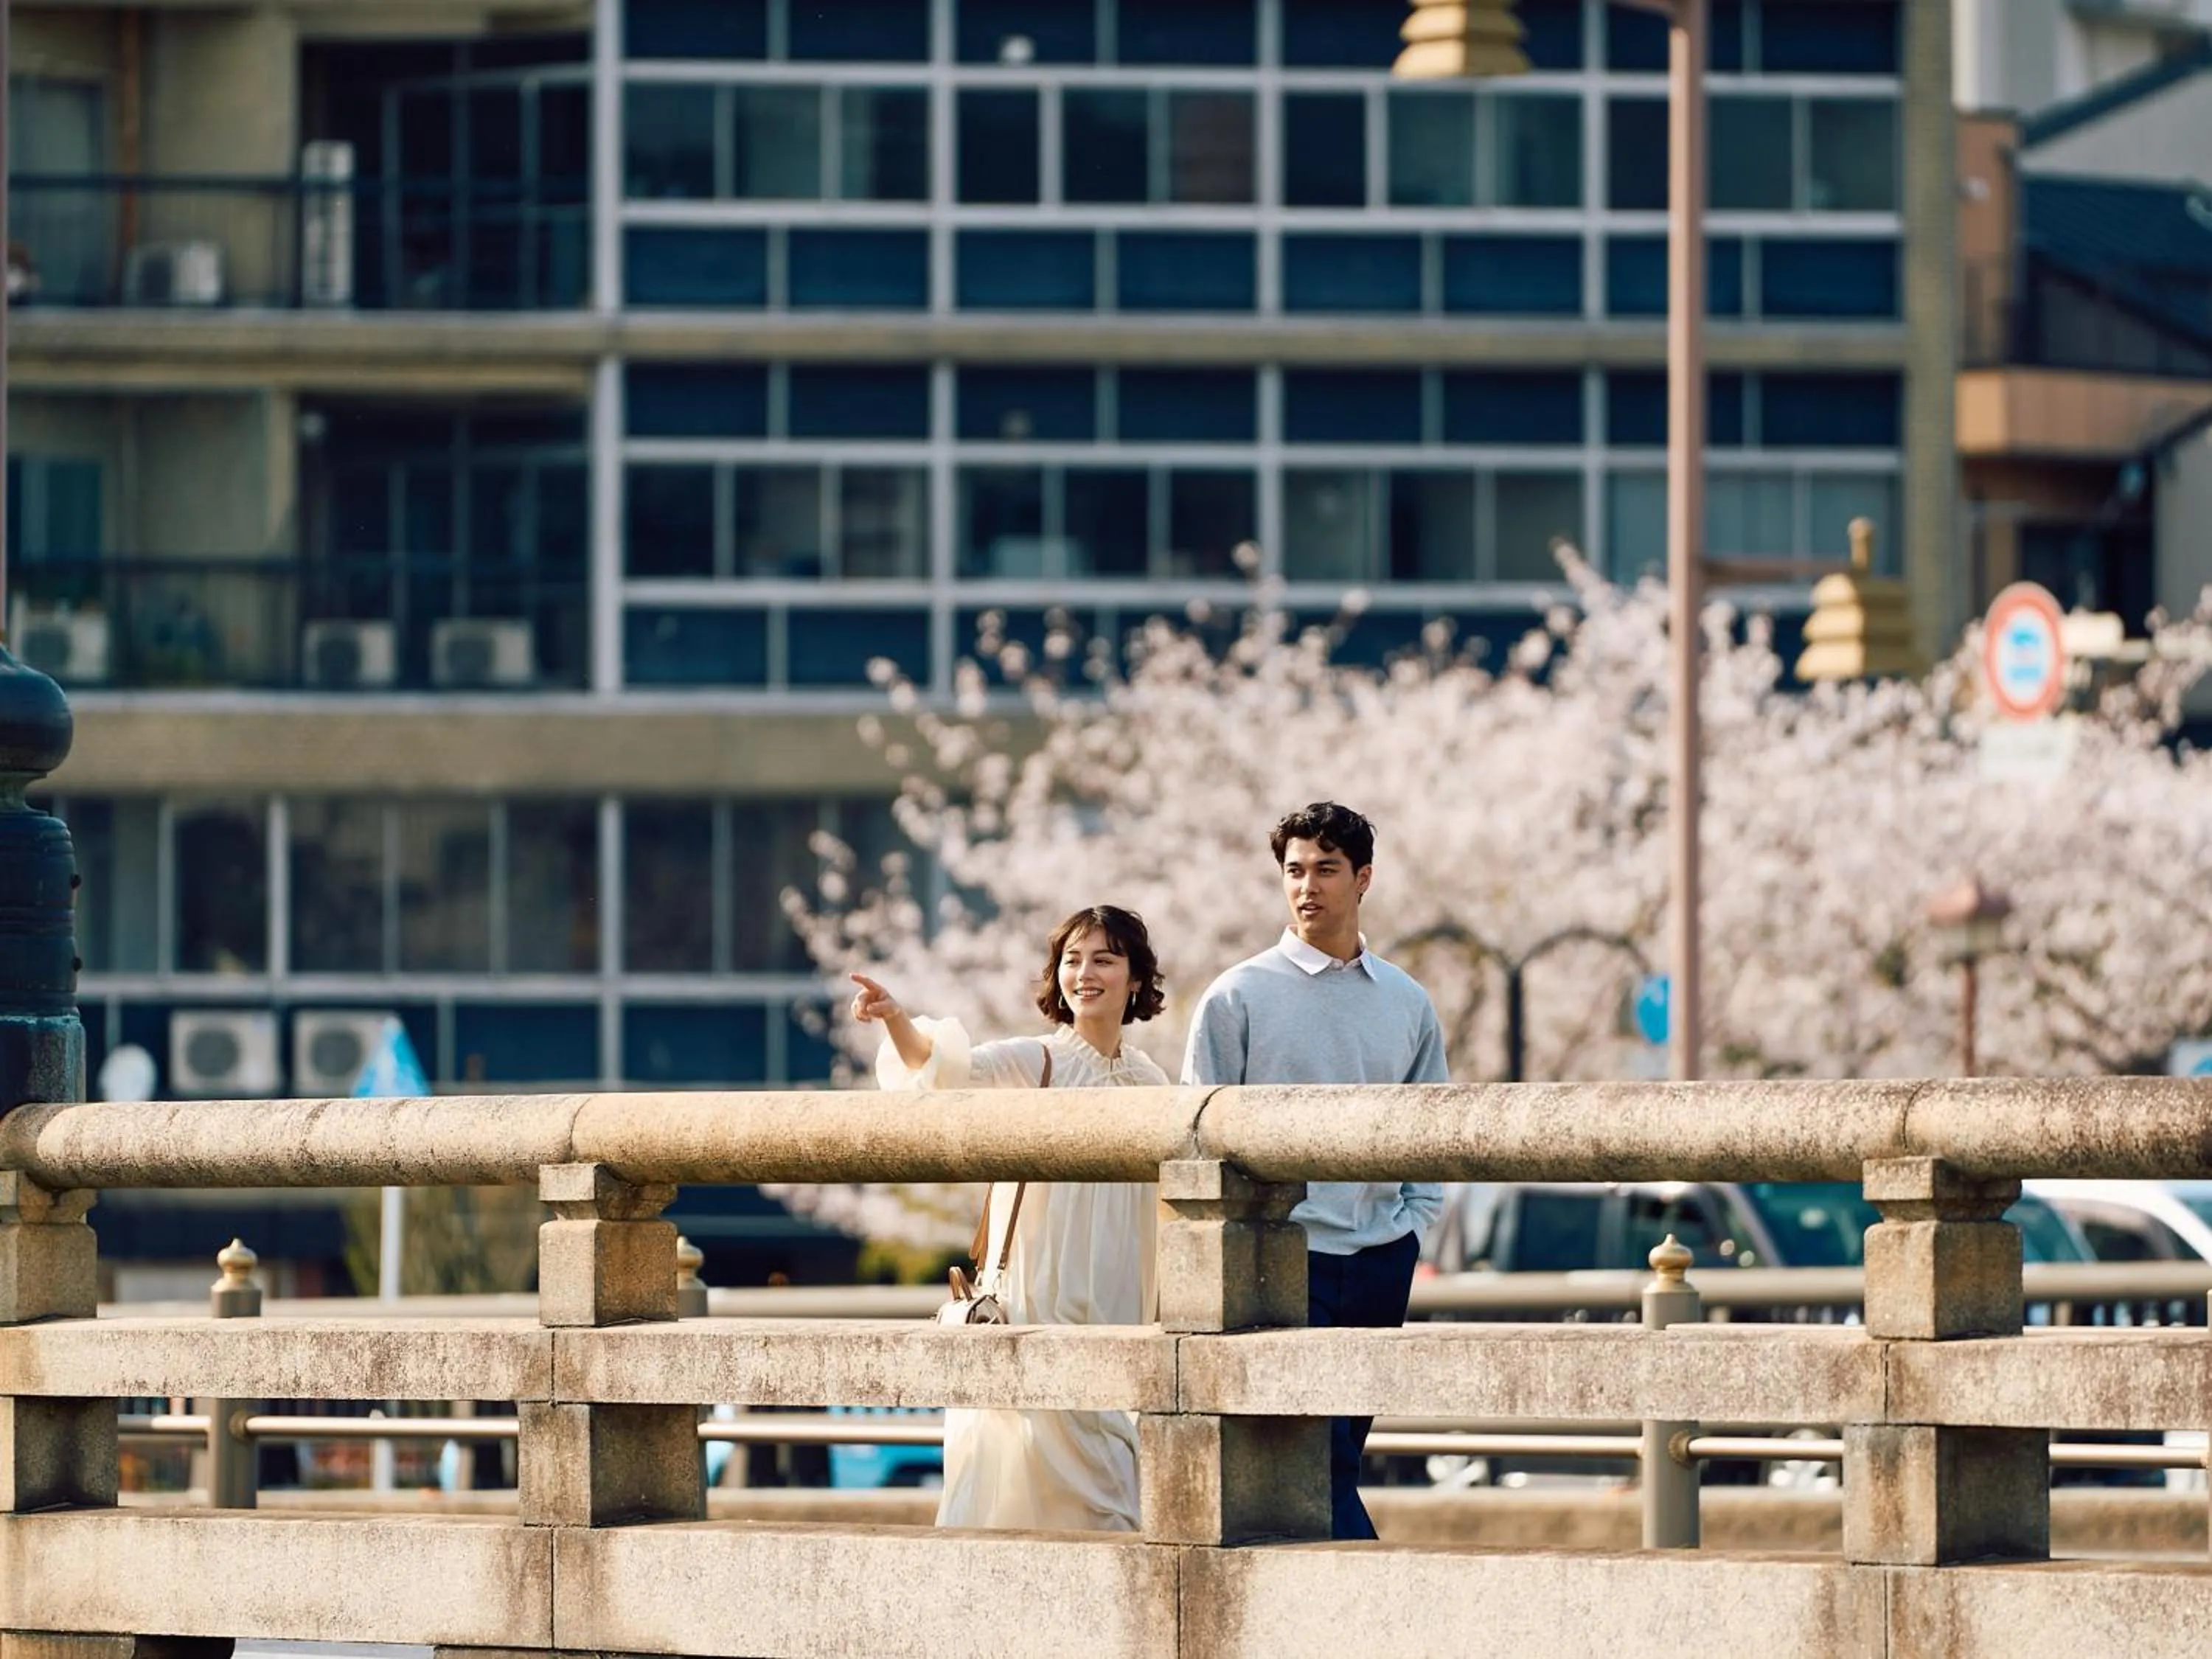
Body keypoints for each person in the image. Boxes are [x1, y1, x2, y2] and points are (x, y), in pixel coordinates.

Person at [851, 902, 1169, 1532]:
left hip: (1112, 1302)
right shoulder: (1040, 1061)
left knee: (1108, 1479)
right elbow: (952, 1069)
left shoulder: (1151, 1081)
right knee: (1021, 1469)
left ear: (1135, 979)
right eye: (1072, 961)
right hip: (1035, 1291)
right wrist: (897, 1023)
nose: (1085, 973)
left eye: (1104, 959)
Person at [1179, 801, 1447, 1540]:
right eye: (1294, 871)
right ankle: (1366, 1593)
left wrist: (1414, 1224)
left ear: (1363, 878)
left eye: (1327, 869)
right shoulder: (1236, 996)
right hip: (1277, 1257)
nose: (1308, 887)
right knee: (1309, 1460)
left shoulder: (1406, 1000)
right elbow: (1194, 1135)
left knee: (1341, 1457)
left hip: (1379, 1258)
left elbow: (1433, 1129)